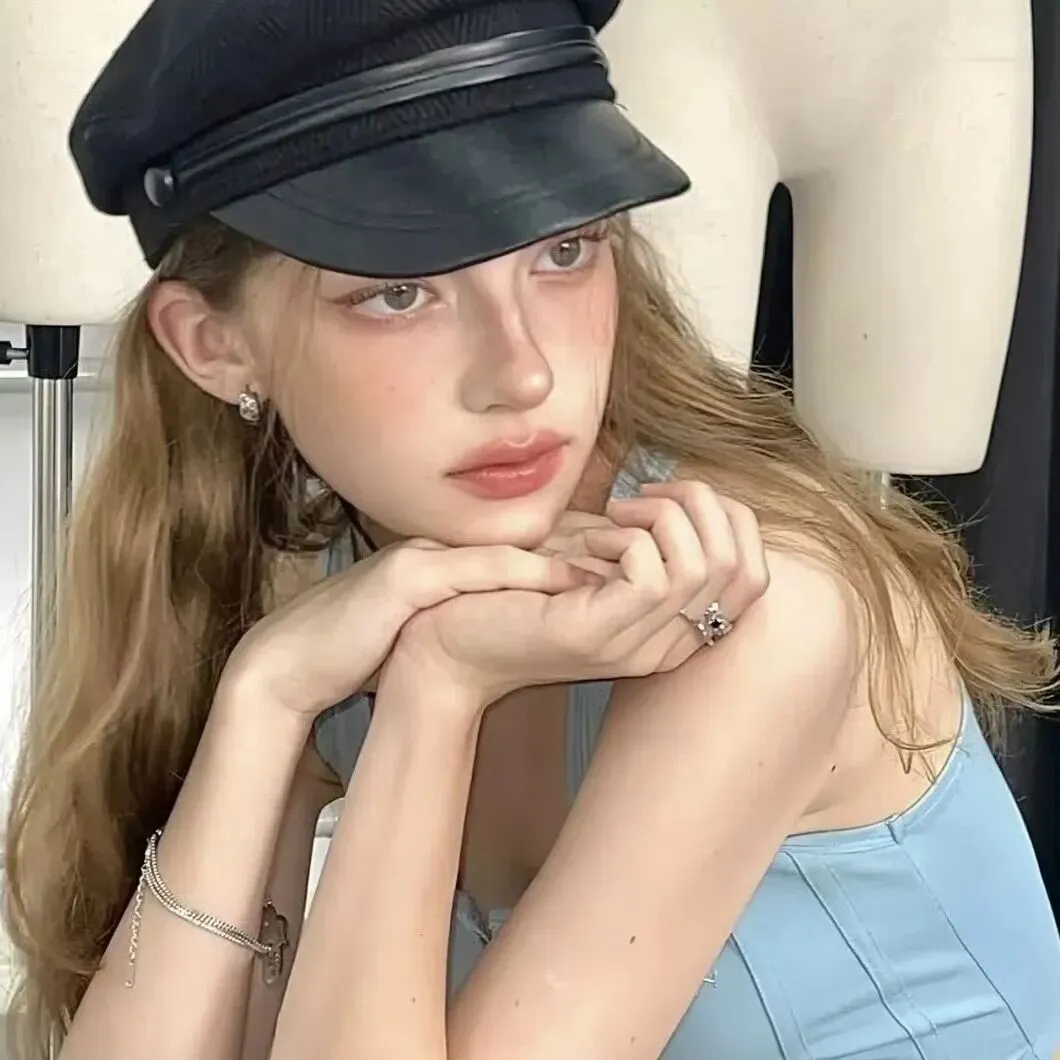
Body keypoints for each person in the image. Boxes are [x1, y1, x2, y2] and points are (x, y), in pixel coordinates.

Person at [4, 1, 1060, 1058]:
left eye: (562, 252)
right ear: (212, 345)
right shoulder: (343, 591)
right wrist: (266, 693)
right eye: (401, 293)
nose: (522, 373)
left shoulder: (751, 601)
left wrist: (437, 686)